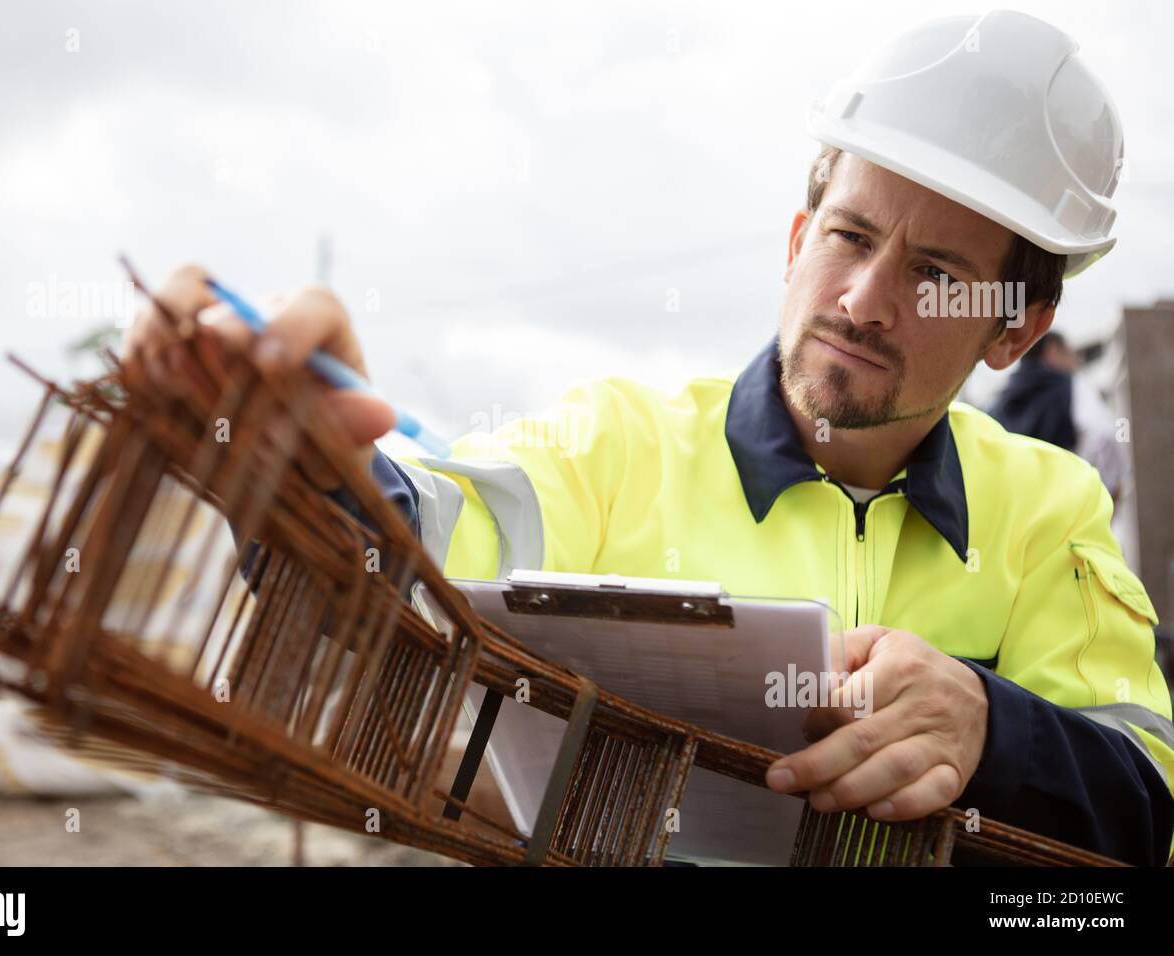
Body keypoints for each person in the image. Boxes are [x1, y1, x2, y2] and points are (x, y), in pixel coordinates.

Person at [124, 11, 1174, 865]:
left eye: (934, 274)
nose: (861, 299)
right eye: (849, 236)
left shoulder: (1048, 511)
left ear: (1014, 329)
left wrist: (991, 729)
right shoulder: (616, 447)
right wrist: (311, 467)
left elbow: (1145, 805)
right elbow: (426, 552)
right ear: (798, 240)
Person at [990, 331, 1129, 504]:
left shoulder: (1001, 400)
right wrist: (1107, 493)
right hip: (1066, 504)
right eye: (1071, 354)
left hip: (1017, 507)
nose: (1076, 362)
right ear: (1053, 351)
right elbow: (1105, 435)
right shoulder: (1072, 385)